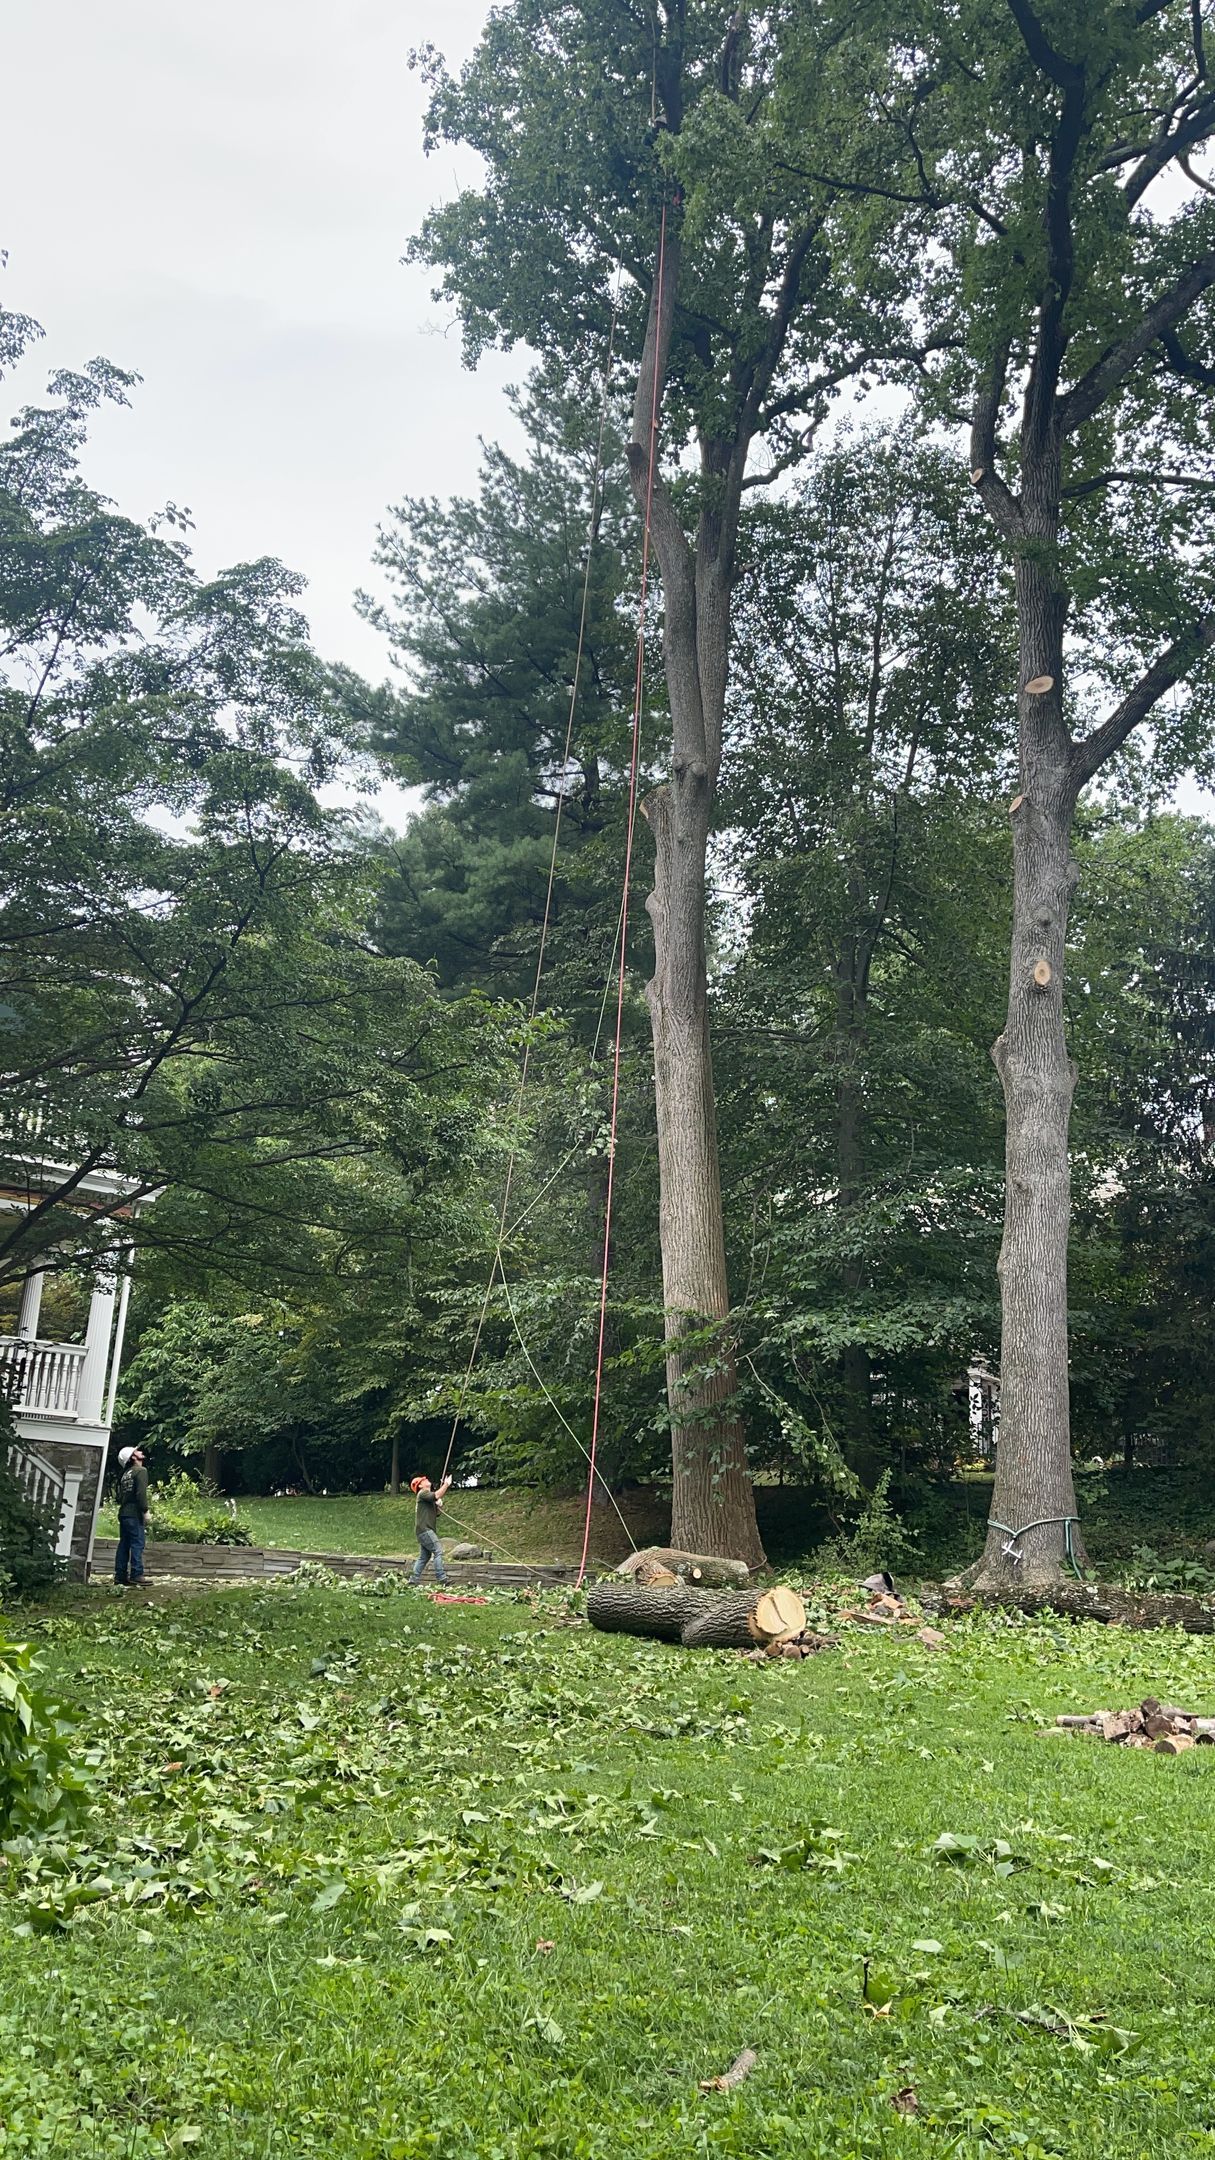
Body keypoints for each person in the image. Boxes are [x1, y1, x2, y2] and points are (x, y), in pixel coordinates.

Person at [114, 1445, 150, 1587]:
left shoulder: (125, 1474)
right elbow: (141, 1493)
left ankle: (120, 1576)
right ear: (133, 1457)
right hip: (134, 1514)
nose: (140, 1452)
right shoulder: (141, 1471)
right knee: (137, 1543)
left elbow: (120, 1495)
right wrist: (145, 1511)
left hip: (124, 1513)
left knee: (124, 1544)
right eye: (137, 1451)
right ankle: (136, 1574)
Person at [410, 1473, 451, 1586]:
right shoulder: (422, 1493)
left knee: (424, 1557)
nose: (426, 1480)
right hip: (425, 1529)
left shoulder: (426, 1497)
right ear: (420, 1486)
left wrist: (439, 1505)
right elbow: (436, 1495)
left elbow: (437, 1513)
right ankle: (442, 1578)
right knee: (438, 1551)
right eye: (423, 1480)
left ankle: (413, 1580)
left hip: (422, 1530)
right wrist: (446, 1484)